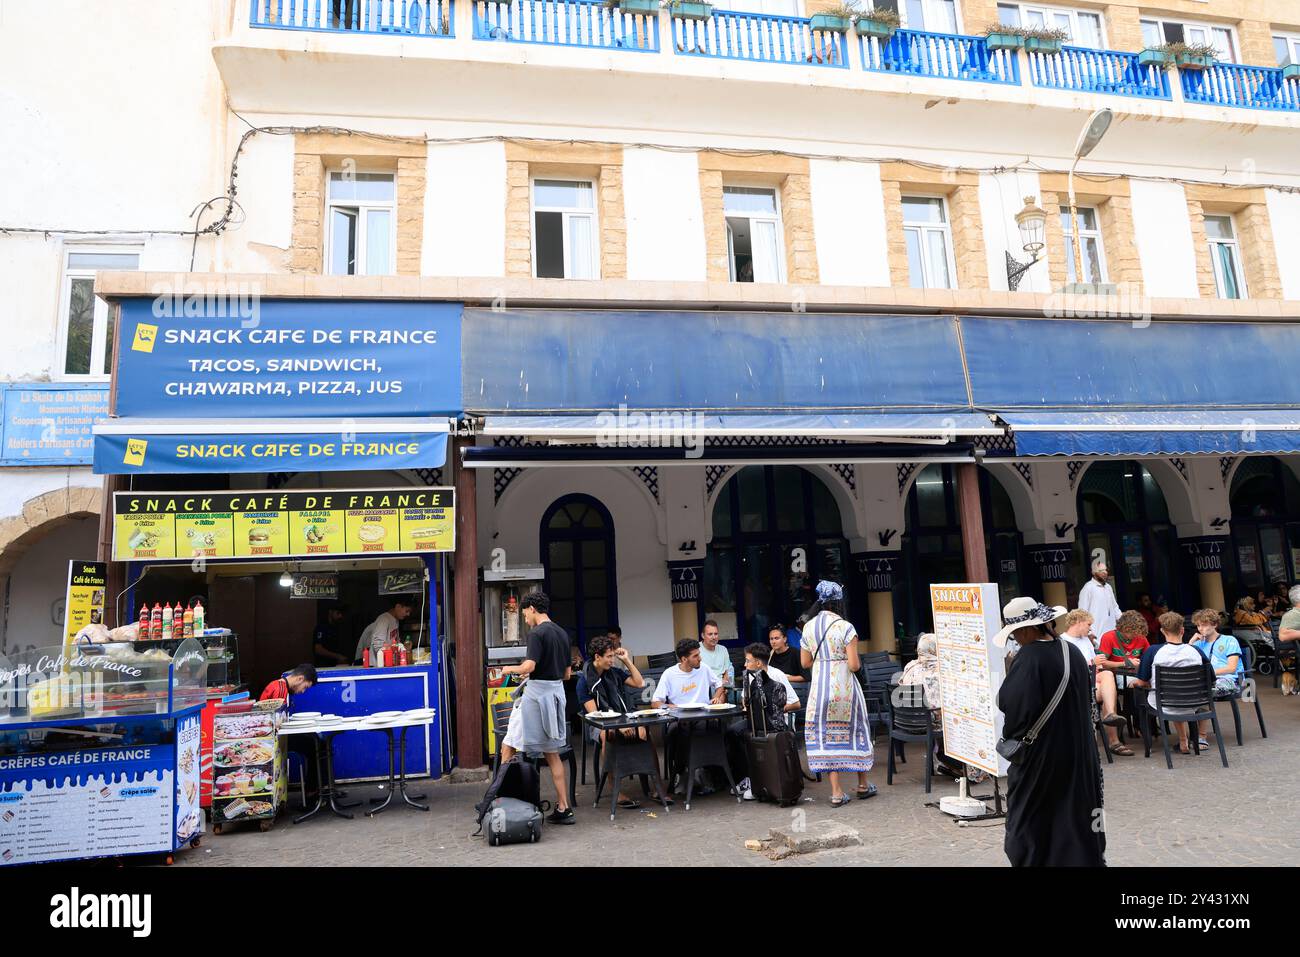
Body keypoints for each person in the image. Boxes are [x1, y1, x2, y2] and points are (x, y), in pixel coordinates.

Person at [994, 597, 1106, 867]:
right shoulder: (1073, 652)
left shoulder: (1029, 658)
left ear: (1026, 630)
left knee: (1031, 821)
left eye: (1015, 634)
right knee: (1074, 819)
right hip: (1079, 752)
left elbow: (1014, 706)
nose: (1016, 640)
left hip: (1042, 757)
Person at [498, 592, 575, 825]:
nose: (524, 619)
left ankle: (499, 800)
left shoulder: (537, 634)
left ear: (532, 608)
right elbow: (567, 674)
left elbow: (529, 666)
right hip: (555, 696)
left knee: (509, 744)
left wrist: (508, 670)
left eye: (524, 613)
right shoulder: (562, 633)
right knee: (552, 754)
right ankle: (564, 808)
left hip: (534, 698)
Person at [800, 580, 874, 807]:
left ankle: (836, 792)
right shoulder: (845, 627)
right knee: (856, 730)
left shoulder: (808, 627)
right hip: (844, 689)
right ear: (838, 601)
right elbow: (854, 665)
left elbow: (805, 663)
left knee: (826, 736)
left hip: (819, 690)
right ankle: (863, 784)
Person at [576, 635, 652, 809]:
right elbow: (595, 715)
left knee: (644, 731)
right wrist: (620, 725)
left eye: (613, 656)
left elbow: (639, 683)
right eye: (609, 657)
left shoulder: (614, 673)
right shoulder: (584, 682)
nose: (612, 660)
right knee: (608, 734)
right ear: (597, 657)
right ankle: (614, 787)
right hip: (600, 724)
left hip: (623, 716)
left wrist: (626, 660)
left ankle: (654, 785)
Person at [724, 642, 801, 801]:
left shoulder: (777, 675)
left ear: (758, 663)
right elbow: (748, 704)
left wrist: (773, 708)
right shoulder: (749, 677)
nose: (745, 664)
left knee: (749, 734)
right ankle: (747, 777)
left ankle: (758, 780)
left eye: (748, 661)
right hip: (756, 721)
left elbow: (796, 703)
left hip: (777, 723)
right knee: (733, 732)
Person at [652, 638, 727, 791]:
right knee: (679, 731)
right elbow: (656, 702)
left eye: (699, 654)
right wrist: (673, 706)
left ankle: (709, 773)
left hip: (704, 716)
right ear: (684, 659)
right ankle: (682, 773)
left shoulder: (704, 668)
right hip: (679, 718)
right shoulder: (670, 674)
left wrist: (718, 697)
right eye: (695, 656)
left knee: (719, 727)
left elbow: (719, 685)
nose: (700, 658)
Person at [1131, 611, 1204, 754]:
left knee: (1138, 691)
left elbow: (1141, 681)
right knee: (1177, 693)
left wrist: (1136, 684)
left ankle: (1145, 741)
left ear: (1162, 631)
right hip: (1193, 702)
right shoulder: (1196, 651)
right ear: (1182, 630)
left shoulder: (1153, 651)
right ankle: (1184, 741)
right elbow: (1210, 678)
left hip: (1164, 703)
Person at [1060, 610, 1130, 756]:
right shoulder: (1062, 642)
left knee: (1107, 677)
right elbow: (1063, 669)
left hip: (1092, 683)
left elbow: (1096, 669)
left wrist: (1097, 665)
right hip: (1074, 687)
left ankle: (1110, 714)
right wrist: (1092, 662)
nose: (1090, 628)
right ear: (1078, 622)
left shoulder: (1086, 640)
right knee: (1107, 688)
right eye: (1088, 624)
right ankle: (1114, 740)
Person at [1189, 608, 1243, 749]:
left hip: (1229, 680)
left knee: (1203, 690)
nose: (1201, 628)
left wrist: (1209, 674)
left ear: (1214, 624)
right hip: (1206, 681)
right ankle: (1188, 736)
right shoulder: (1199, 643)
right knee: (1187, 691)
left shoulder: (1229, 640)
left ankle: (1201, 736)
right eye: (1199, 625)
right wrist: (1191, 642)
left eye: (1205, 624)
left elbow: (1231, 668)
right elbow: (1185, 660)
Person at [355, 597, 414, 663]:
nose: (408, 614)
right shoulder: (384, 620)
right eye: (407, 611)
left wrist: (403, 648)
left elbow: (395, 643)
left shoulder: (396, 620)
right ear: (398, 606)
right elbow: (378, 646)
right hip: (378, 665)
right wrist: (391, 655)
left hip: (389, 663)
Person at [1097, 610, 1151, 676]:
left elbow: (1150, 658)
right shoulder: (1108, 637)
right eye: (1134, 632)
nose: (1136, 635)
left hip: (1137, 674)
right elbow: (1102, 663)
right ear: (1126, 628)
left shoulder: (1140, 637)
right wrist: (1126, 663)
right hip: (1117, 675)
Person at [1077, 561, 1121, 641]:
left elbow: (1115, 608)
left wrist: (1124, 621)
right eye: (1101, 571)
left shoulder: (1108, 587)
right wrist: (1089, 633)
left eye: (1106, 570)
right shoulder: (1088, 588)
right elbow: (1082, 613)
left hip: (1112, 634)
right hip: (1096, 636)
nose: (1105, 573)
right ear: (1093, 572)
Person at [697, 620, 734, 688]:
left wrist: (724, 686)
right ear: (703, 635)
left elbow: (728, 670)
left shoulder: (723, 649)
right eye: (710, 634)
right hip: (704, 687)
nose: (714, 637)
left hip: (721, 686)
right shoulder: (696, 650)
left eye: (716, 634)